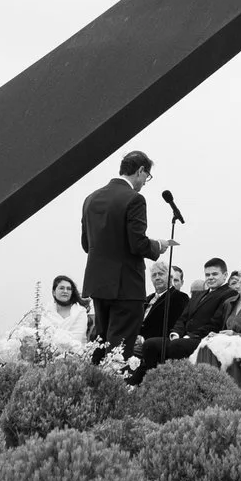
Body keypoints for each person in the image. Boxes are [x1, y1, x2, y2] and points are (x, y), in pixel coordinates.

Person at [80, 150, 170, 363]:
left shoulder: (90, 199)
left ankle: (93, 392)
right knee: (120, 349)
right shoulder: (134, 199)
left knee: (101, 343)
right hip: (126, 286)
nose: (145, 182)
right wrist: (158, 245)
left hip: (98, 285)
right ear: (140, 171)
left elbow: (86, 245)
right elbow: (137, 244)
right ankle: (114, 392)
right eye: (147, 177)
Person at [135, 255, 241, 369]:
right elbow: (182, 318)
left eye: (214, 274)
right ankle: (149, 377)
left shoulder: (229, 294)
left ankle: (174, 379)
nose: (210, 277)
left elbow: (216, 323)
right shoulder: (198, 295)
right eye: (207, 274)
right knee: (151, 344)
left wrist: (188, 337)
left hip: (203, 339)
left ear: (225, 275)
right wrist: (176, 333)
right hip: (181, 338)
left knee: (177, 345)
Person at [43, 274, 92, 351]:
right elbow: (42, 337)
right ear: (54, 292)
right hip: (47, 354)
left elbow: (76, 339)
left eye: (69, 289)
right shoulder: (46, 312)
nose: (65, 291)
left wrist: (54, 336)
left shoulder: (79, 311)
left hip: (74, 355)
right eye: (61, 288)